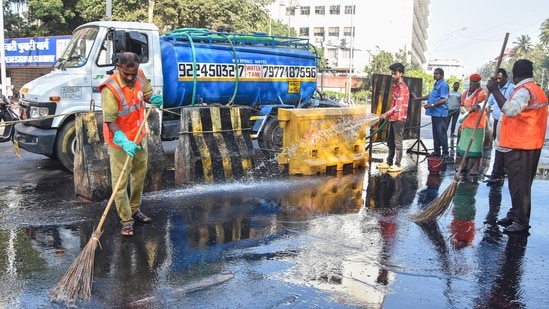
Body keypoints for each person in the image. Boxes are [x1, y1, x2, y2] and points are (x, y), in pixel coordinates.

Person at [99, 52, 163, 236]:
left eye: (133, 74)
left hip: (138, 135)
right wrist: (122, 140)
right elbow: (110, 121)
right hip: (120, 140)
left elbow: (147, 94)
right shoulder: (110, 89)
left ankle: (135, 210)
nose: (129, 77)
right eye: (126, 73)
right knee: (120, 182)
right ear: (118, 66)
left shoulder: (140, 76)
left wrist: (153, 99)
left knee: (139, 176)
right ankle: (126, 221)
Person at [486, 59, 548, 234]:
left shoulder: (525, 91)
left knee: (520, 186)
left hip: (522, 146)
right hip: (526, 144)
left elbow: (511, 110)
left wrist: (494, 90)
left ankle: (521, 221)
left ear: (514, 73)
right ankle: (515, 214)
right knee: (518, 184)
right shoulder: (534, 89)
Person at [412, 68, 449, 160]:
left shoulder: (443, 85)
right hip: (435, 113)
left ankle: (445, 153)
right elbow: (431, 96)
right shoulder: (437, 84)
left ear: (441, 75)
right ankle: (437, 151)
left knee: (441, 134)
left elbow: (444, 99)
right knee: (436, 134)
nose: (434, 75)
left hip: (440, 113)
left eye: (436, 74)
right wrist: (418, 98)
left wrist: (432, 105)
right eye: (434, 73)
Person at [485, 68, 514, 186]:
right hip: (497, 120)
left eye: (500, 78)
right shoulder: (495, 88)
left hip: (506, 122)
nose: (498, 80)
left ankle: (499, 173)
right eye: (496, 78)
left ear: (505, 77)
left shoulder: (511, 88)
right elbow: (489, 102)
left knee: (502, 147)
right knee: (497, 147)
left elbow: (509, 106)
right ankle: (496, 172)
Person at [379, 62, 409, 172]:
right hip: (393, 117)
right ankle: (389, 161)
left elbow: (398, 107)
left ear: (401, 74)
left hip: (399, 118)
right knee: (390, 141)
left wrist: (385, 114)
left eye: (394, 74)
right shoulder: (395, 86)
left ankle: (398, 164)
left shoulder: (403, 87)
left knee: (397, 142)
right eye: (391, 73)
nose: (392, 76)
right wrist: (388, 115)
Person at [456, 73, 488, 177]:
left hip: (477, 124)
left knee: (475, 147)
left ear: (479, 82)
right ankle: (464, 165)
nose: (473, 84)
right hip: (466, 123)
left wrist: (476, 107)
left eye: (475, 82)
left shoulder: (482, 93)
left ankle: (475, 167)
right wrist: (462, 108)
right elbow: (461, 104)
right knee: (464, 146)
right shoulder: (465, 93)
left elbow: (480, 104)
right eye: (472, 82)